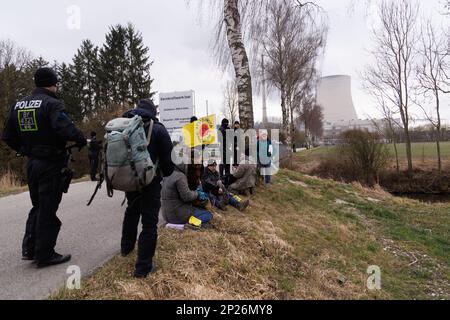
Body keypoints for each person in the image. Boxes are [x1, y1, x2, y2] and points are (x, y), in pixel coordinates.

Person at [1, 67, 87, 268]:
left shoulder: (18, 105)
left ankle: (30, 249)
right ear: (52, 83)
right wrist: (80, 138)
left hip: (32, 163)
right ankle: (45, 254)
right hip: (50, 163)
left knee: (38, 205)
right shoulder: (52, 104)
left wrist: (24, 149)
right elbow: (66, 129)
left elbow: (7, 136)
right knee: (48, 207)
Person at [120, 99, 174, 278]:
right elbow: (168, 163)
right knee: (149, 223)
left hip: (130, 179)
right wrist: (164, 173)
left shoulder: (125, 124)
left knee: (131, 210)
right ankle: (143, 268)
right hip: (150, 181)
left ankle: (126, 249)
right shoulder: (158, 129)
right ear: (152, 112)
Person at [219, 118, 231, 182]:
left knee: (227, 163)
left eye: (227, 123)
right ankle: (221, 176)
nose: (226, 124)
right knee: (223, 162)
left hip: (227, 147)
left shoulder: (227, 129)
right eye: (225, 123)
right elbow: (220, 138)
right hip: (222, 148)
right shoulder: (221, 129)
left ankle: (227, 175)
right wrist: (225, 132)